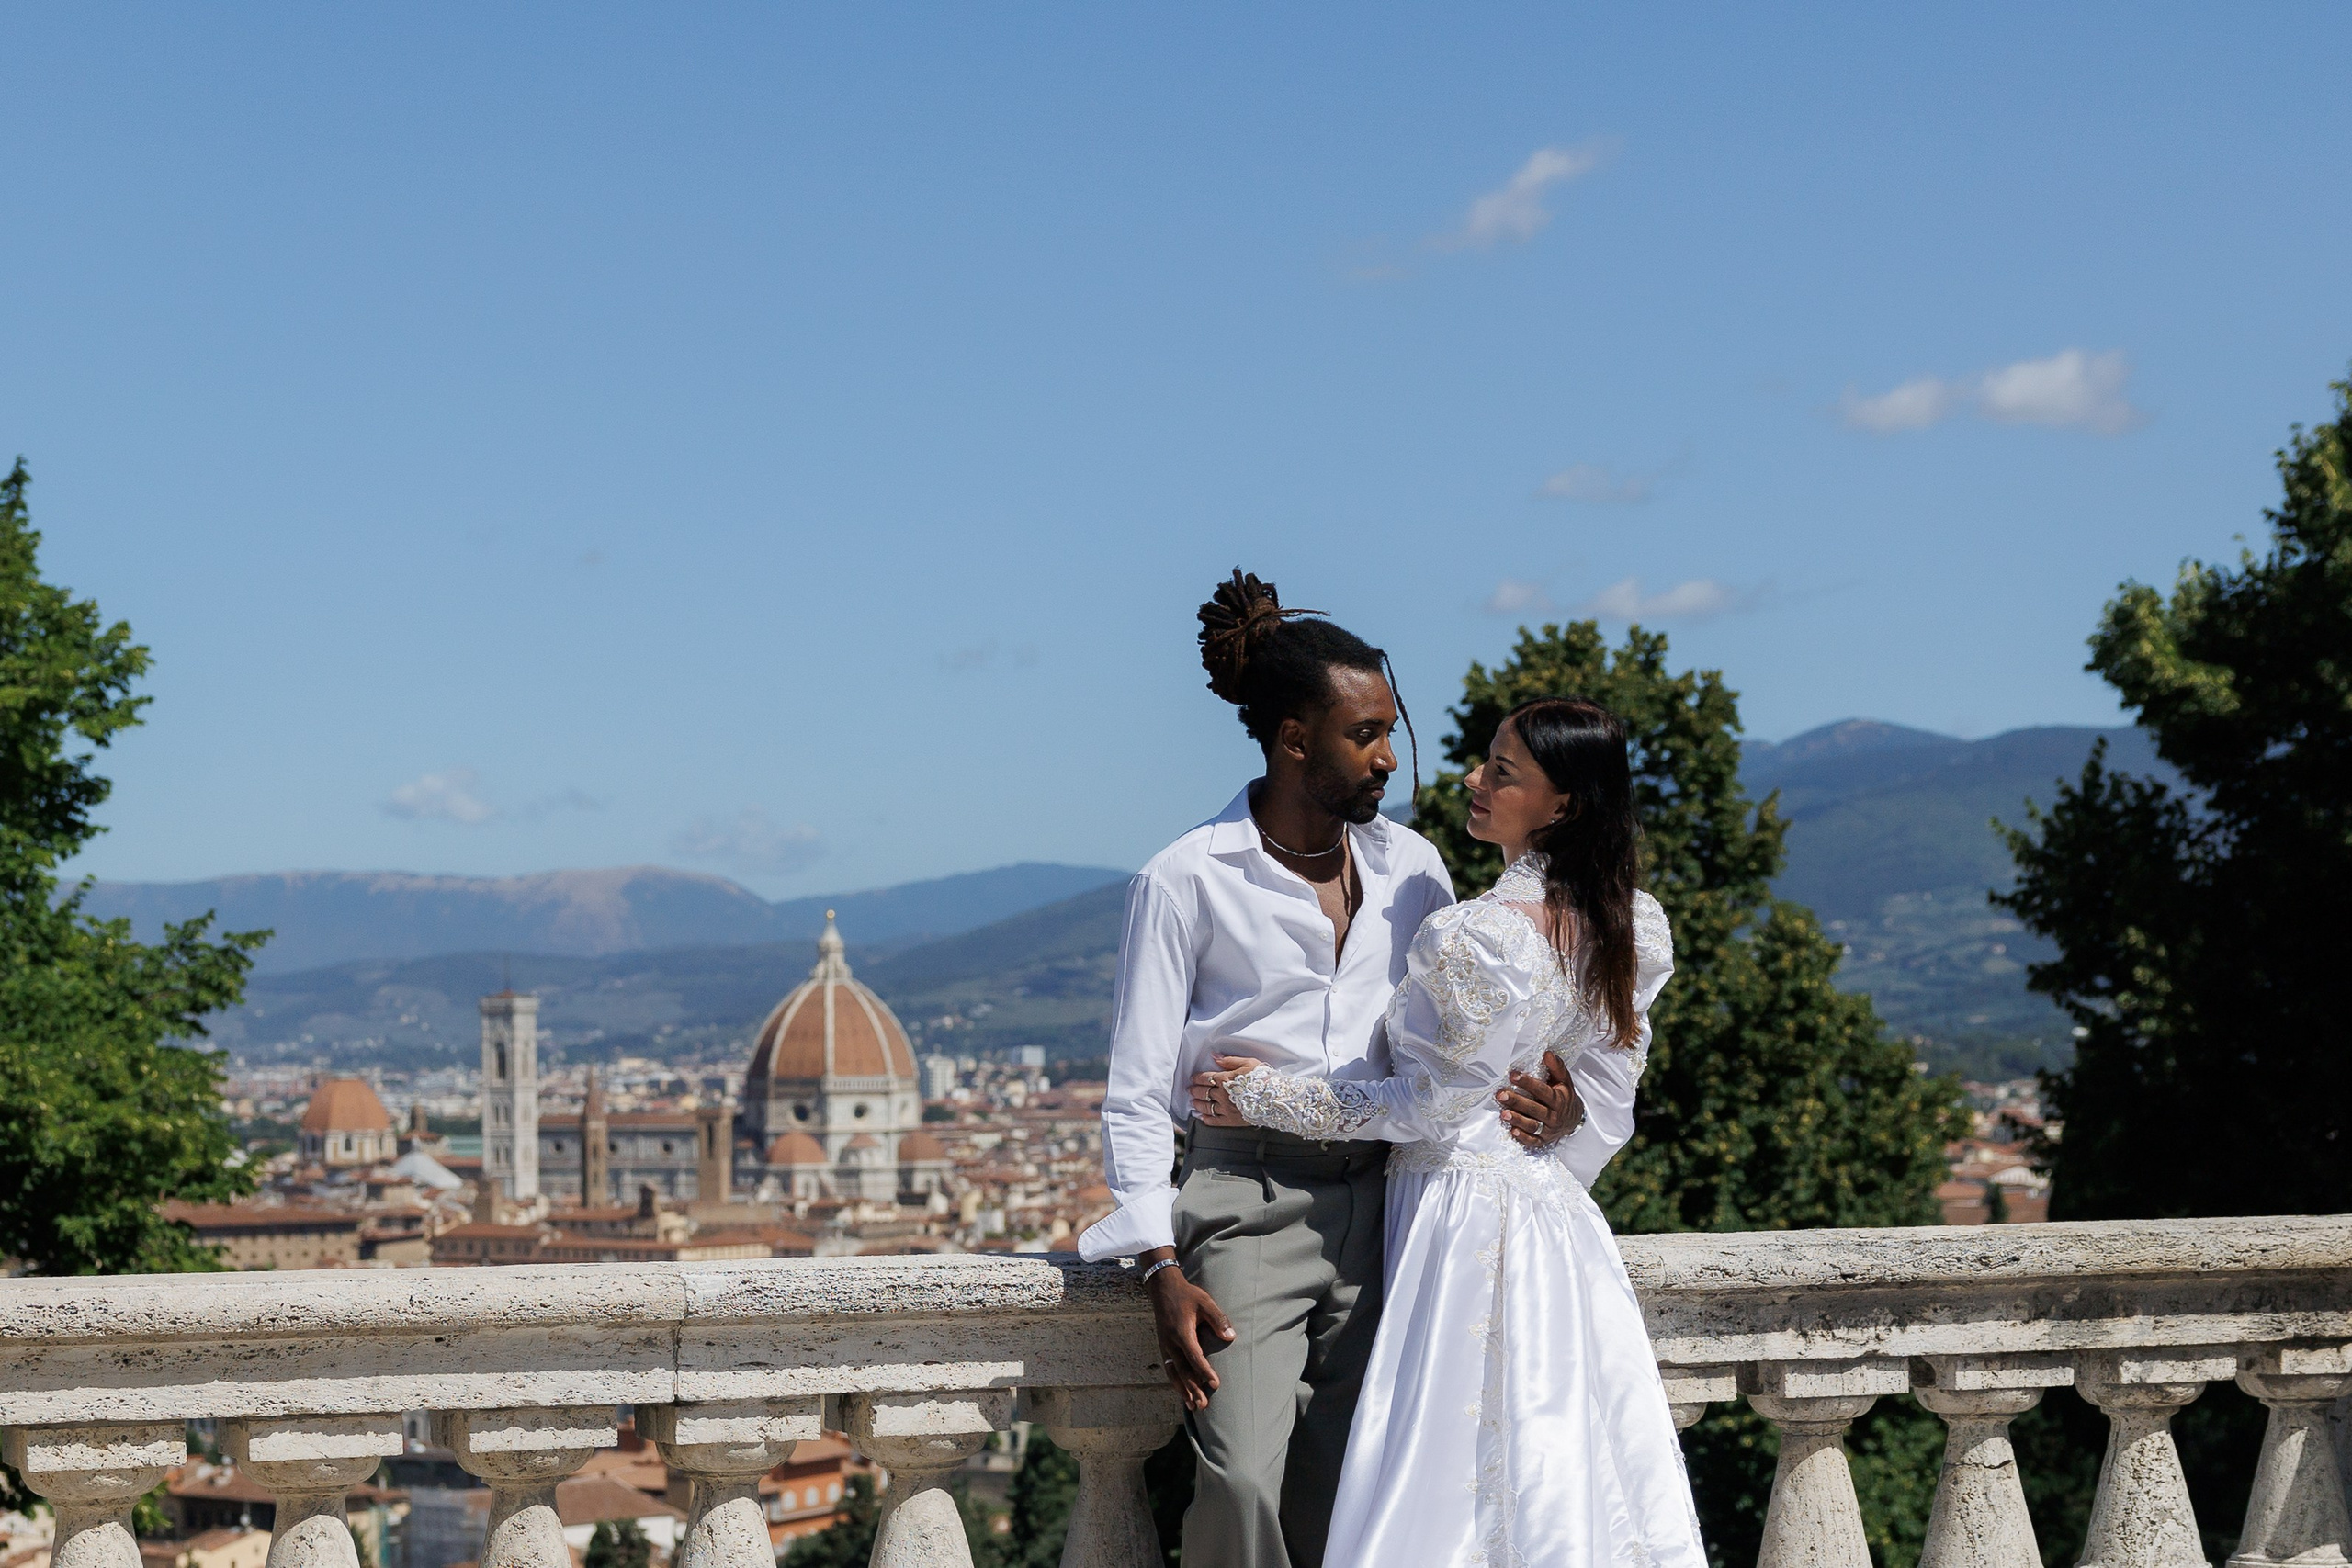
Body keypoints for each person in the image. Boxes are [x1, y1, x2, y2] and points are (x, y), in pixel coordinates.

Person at [1075, 571, 1593, 1568]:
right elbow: (1137, 1087)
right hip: (1244, 1198)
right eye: (1365, 734)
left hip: (1393, 1202)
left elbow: (1463, 1046)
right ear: (1292, 737)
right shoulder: (1185, 877)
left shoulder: (1417, 870)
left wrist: (1555, 1088)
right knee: (1236, 1478)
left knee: (1357, 1480)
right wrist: (1157, 1263)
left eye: (1389, 731)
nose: (1390, 758)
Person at [1193, 696, 1706, 1567]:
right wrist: (1567, 1111)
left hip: (1460, 1209)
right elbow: (1613, 1096)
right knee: (1553, 1452)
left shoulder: (1480, 935)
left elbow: (1426, 1105)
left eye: (1502, 773)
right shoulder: (1628, 922)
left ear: (1562, 806)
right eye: (1485, 761)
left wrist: (1269, 1098)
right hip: (1555, 1220)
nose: (1472, 780)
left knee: (1443, 1447)